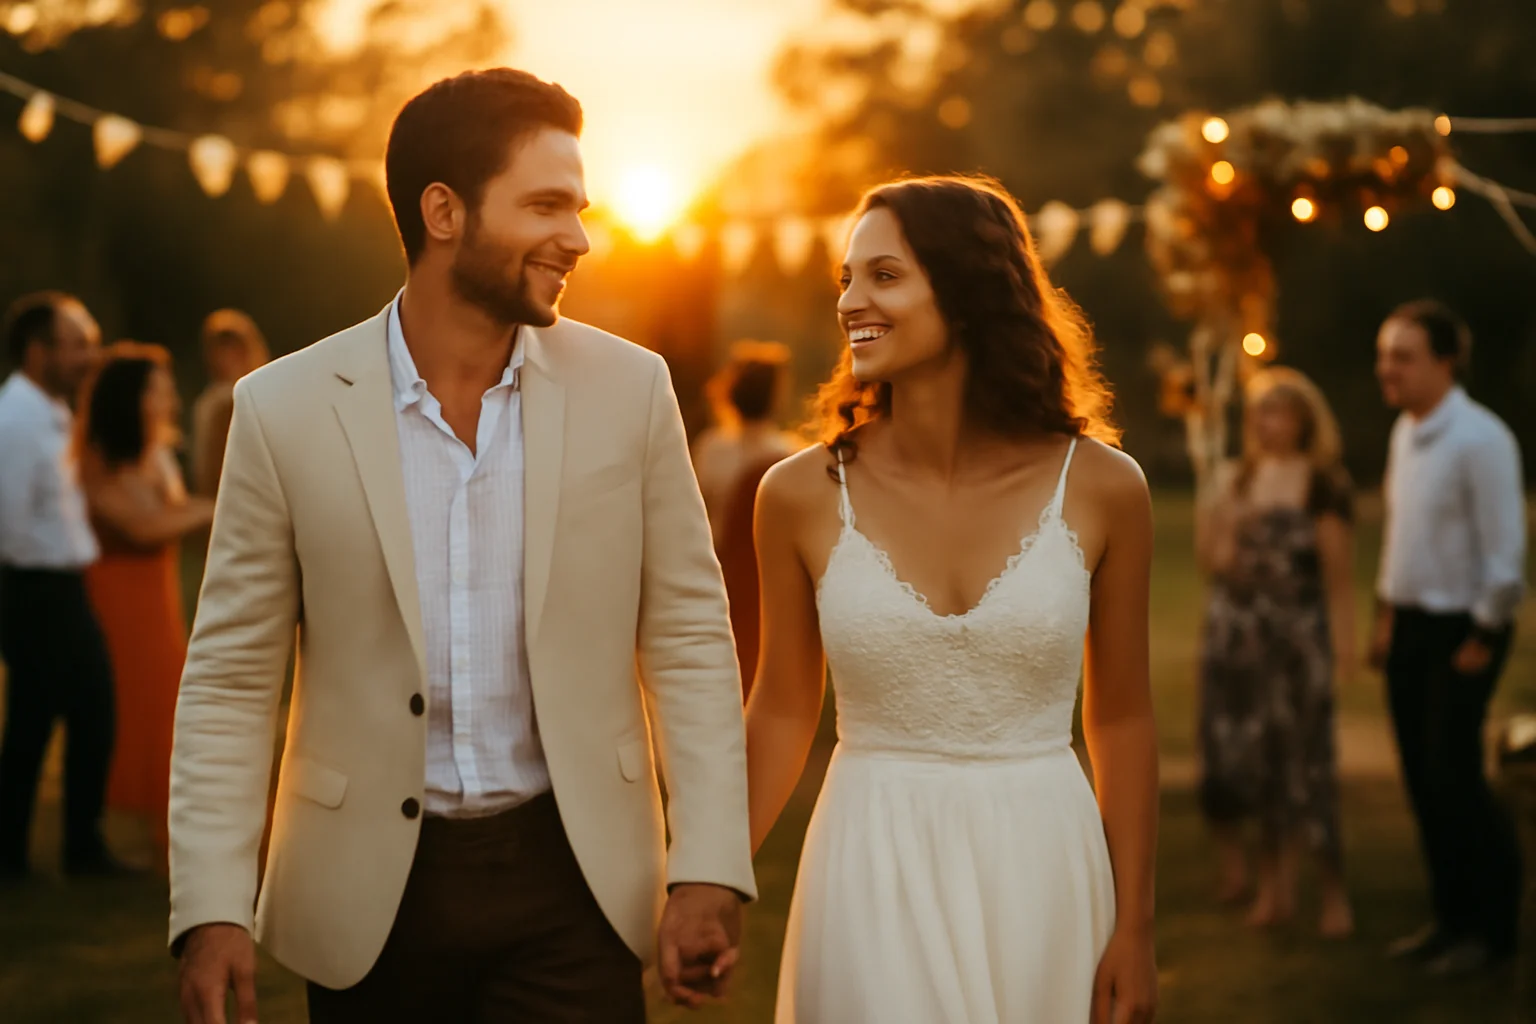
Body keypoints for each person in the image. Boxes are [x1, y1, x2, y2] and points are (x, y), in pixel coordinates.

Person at [170, 69, 755, 1024]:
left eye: (579, 206)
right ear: (443, 212)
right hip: (369, 897)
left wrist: (707, 865)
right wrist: (208, 907)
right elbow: (233, 675)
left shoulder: (632, 389)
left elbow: (690, 637)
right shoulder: (281, 410)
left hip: (577, 884)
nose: (578, 237)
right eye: (545, 205)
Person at [745, 176, 1159, 1023]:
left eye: (884, 276)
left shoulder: (1107, 489)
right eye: (846, 279)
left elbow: (1121, 718)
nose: (852, 301)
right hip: (870, 860)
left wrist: (1135, 927)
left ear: (967, 293)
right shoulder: (798, 495)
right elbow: (784, 709)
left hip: (1047, 862)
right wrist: (705, 879)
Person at [1371, 299, 1525, 977]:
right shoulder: (1406, 432)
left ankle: (1493, 929)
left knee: (1454, 778)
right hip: (1409, 625)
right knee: (1421, 781)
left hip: (1465, 628)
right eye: (1384, 355)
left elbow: (1505, 550)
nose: (1387, 369)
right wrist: (1384, 615)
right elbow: (1402, 536)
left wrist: (1485, 634)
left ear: (1445, 360)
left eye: (1402, 356)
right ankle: (1449, 918)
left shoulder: (1481, 439)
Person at [1195, 368, 1355, 938]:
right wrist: (1230, 526)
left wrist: (1345, 649)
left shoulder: (1322, 484)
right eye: (1261, 413)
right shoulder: (1237, 481)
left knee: (1306, 760)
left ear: (1304, 421)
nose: (1268, 423)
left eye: (1280, 412)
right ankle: (1273, 888)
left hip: (1297, 640)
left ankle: (1334, 894)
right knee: (1255, 762)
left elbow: (1338, 578)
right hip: (1239, 637)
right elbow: (1212, 561)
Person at [0, 291, 126, 878]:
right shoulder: (17, 420)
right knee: (41, 721)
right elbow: (10, 522)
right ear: (37, 351)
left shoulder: (51, 411)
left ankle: (74, 845)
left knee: (76, 713)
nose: (89, 358)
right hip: (35, 588)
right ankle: (54, 850)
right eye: (78, 346)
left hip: (61, 586)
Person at [78, 343, 214, 867]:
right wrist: (213, 507)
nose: (171, 399)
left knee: (168, 704)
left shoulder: (152, 454)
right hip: (118, 597)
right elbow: (145, 526)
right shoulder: (95, 459)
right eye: (160, 390)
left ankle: (167, 826)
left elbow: (171, 514)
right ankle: (136, 829)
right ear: (132, 398)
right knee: (138, 708)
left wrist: (198, 509)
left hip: (155, 597)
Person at [691, 341, 799, 696]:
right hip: (769, 586)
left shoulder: (711, 449)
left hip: (714, 581)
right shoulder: (789, 456)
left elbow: (696, 522)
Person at [189, 309, 269, 497]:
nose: (225, 358)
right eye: (221, 349)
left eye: (233, 349)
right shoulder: (220, 401)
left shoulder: (216, 399)